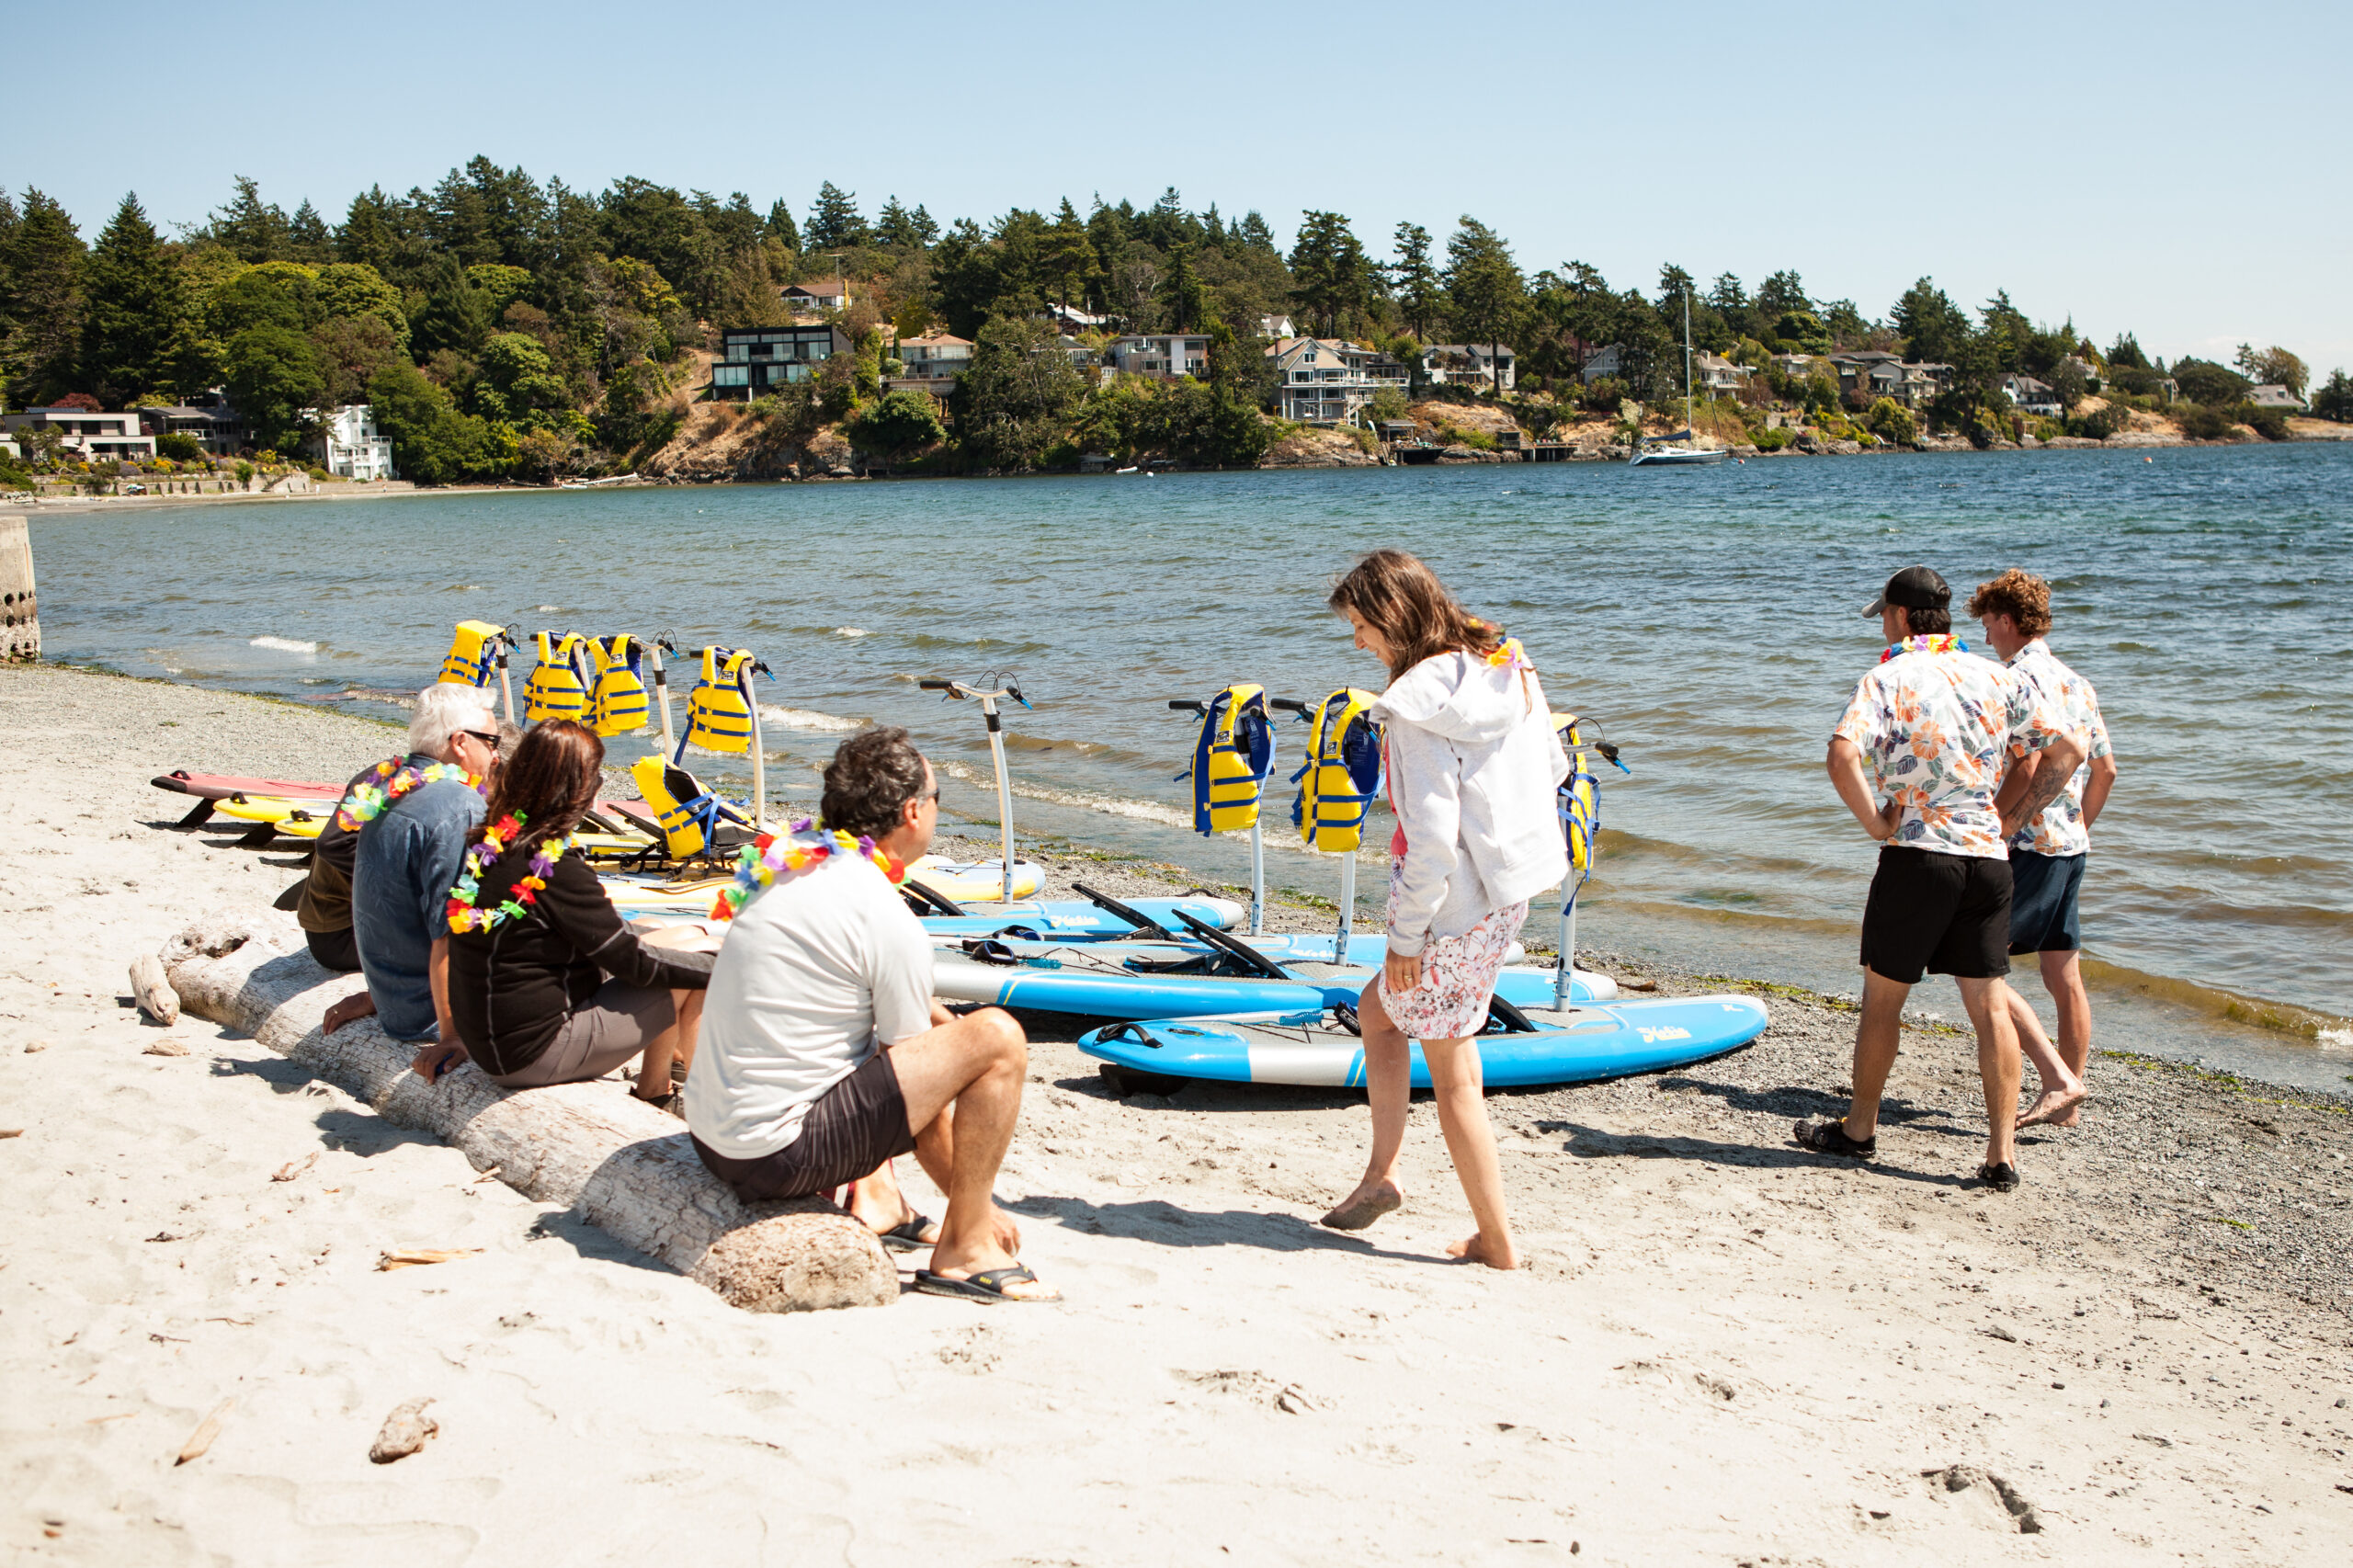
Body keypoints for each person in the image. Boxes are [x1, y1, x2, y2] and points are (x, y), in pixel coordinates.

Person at [683, 727, 1055, 1304]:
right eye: (937, 800)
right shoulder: (884, 913)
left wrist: (946, 1032)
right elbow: (916, 1091)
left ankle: (901, 1205)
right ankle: (965, 1250)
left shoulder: (785, 866)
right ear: (912, 811)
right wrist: (975, 1210)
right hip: (773, 1156)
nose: (936, 811)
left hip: (715, 1140)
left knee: (951, 1035)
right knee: (999, 1036)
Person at [1315, 550, 1571, 1269]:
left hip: (1451, 905)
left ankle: (1497, 1241)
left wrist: (1404, 939)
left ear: (1394, 619)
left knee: (1455, 1073)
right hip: (1507, 885)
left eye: (1362, 627)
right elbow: (1551, 765)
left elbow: (1429, 836)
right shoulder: (1506, 660)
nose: (1358, 642)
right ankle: (1382, 1175)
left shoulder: (1412, 706)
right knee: (1377, 1013)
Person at [1800, 566, 2087, 1191]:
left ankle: (1859, 1130)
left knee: (1884, 1001)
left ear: (1902, 617)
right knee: (1989, 1008)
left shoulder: (1888, 676)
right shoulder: (1994, 676)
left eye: (1883, 614)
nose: (1883, 623)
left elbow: (1841, 753)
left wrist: (1878, 823)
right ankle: (2000, 1155)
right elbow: (2063, 753)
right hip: (1988, 858)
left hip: (1919, 853)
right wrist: (2010, 819)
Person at [421, 718, 718, 1097]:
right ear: (576, 789)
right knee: (699, 967)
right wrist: (725, 966)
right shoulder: (553, 866)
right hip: (535, 1053)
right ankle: (706, 1102)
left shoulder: (498, 844)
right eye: (596, 779)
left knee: (679, 933)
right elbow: (633, 964)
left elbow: (610, 940)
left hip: (495, 1041)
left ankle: (659, 1083)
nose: (597, 788)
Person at [1970, 568, 2119, 1130]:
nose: (1985, 636)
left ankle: (2059, 1080)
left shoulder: (2013, 679)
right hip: (2071, 846)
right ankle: (2066, 1110)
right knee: (2064, 975)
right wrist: (2078, 825)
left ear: (2007, 622)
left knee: (1977, 961)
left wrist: (2009, 826)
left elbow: (2028, 761)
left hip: (2028, 846)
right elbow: (2104, 770)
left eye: (1987, 624)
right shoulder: (2078, 683)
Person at [326, 685, 500, 1041]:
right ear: (461, 742)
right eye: (492, 742)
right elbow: (452, 931)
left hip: (395, 997)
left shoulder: (389, 787)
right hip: (433, 1014)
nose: (495, 756)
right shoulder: (461, 806)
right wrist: (452, 1037)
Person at [301, 719, 520, 974]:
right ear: (490, 763)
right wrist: (408, 884)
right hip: (340, 931)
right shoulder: (396, 780)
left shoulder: (431, 777)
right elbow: (332, 843)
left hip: (363, 917)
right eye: (503, 786)